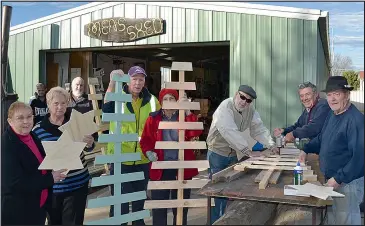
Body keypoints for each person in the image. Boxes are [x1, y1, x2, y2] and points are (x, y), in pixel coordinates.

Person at [206, 85, 278, 223]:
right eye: (242, 97)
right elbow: (229, 131)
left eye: (248, 100)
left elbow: (258, 129)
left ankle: (229, 220)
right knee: (218, 193)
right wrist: (248, 151)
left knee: (231, 192)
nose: (244, 101)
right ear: (236, 94)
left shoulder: (250, 111)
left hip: (233, 155)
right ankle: (215, 222)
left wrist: (271, 145)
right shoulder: (225, 107)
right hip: (217, 154)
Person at [299, 76, 364, 225]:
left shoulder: (355, 120)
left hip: (348, 182)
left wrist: (338, 178)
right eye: (329, 94)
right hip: (332, 179)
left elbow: (359, 159)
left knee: (346, 220)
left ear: (347, 95)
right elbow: (322, 138)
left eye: (337, 94)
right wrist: (305, 149)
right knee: (333, 219)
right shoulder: (332, 114)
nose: (332, 99)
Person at [102, 67, 161, 225]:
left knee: (138, 207)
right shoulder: (117, 96)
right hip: (121, 161)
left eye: (141, 79)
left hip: (142, 161)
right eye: (134, 79)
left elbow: (161, 125)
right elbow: (105, 109)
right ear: (128, 80)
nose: (138, 82)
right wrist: (113, 82)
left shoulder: (152, 101)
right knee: (119, 207)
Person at [32, 87, 95, 225]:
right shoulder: (37, 130)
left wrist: (90, 143)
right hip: (53, 189)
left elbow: (90, 148)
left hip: (78, 184)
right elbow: (34, 159)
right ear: (48, 104)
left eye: (63, 103)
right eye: (56, 103)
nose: (60, 107)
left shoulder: (76, 123)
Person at [140, 89, 203, 225]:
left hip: (182, 168)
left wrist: (187, 112)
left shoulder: (183, 117)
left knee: (180, 208)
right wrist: (149, 152)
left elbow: (195, 132)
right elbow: (145, 140)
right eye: (165, 99)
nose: (168, 102)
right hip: (161, 168)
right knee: (159, 208)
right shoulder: (153, 118)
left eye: (172, 99)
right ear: (161, 102)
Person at [1, 102, 66, 225]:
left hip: (37, 206)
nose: (26, 121)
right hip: (19, 213)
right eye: (20, 118)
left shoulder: (32, 135)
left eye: (29, 116)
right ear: (10, 121)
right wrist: (50, 178)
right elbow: (13, 184)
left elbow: (39, 162)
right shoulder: (6, 145)